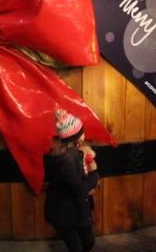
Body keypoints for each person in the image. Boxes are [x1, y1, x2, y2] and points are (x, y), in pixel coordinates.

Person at [44, 108, 99, 252]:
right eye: (82, 131)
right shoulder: (66, 161)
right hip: (63, 212)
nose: (84, 134)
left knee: (88, 242)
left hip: (77, 209)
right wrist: (95, 175)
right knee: (77, 247)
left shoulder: (77, 153)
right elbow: (79, 188)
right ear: (76, 137)